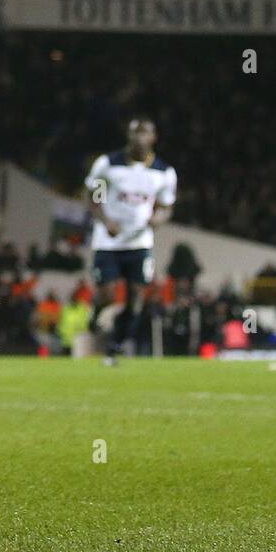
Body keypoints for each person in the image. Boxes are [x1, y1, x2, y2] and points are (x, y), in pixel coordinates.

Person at [85, 116, 177, 365]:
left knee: (136, 299)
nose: (139, 137)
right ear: (128, 136)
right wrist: (106, 221)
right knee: (107, 294)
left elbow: (166, 206)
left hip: (139, 243)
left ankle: (115, 346)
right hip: (108, 242)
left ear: (153, 137)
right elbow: (95, 196)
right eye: (135, 132)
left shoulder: (163, 172)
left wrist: (158, 218)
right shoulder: (108, 164)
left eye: (144, 132)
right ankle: (96, 313)